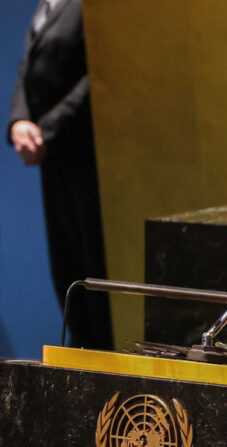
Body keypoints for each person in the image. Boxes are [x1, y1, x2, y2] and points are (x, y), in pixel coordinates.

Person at [6, 0, 113, 350]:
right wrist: (19, 123)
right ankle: (80, 359)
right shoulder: (47, 5)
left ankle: (101, 367)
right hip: (56, 161)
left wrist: (45, 132)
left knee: (94, 273)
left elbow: (100, 70)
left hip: (89, 157)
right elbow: (27, 66)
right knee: (67, 270)